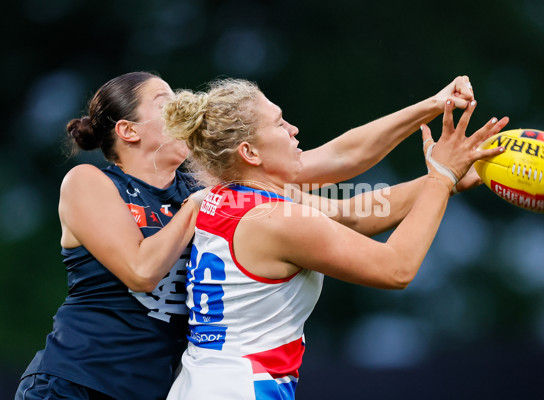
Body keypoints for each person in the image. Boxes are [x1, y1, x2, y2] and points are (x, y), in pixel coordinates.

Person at [14, 71, 487, 400]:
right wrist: (440, 179)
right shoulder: (95, 183)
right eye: (166, 103)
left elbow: (348, 192)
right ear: (128, 131)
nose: (183, 107)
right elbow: (140, 270)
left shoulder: (214, 191)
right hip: (78, 383)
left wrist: (439, 167)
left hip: (171, 387)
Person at [161, 78, 507, 400]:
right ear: (250, 153)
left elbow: (355, 213)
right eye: (279, 124)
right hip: (242, 389)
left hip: (200, 384)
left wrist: (446, 179)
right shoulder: (279, 221)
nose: (293, 130)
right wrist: (440, 179)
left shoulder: (220, 198)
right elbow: (396, 268)